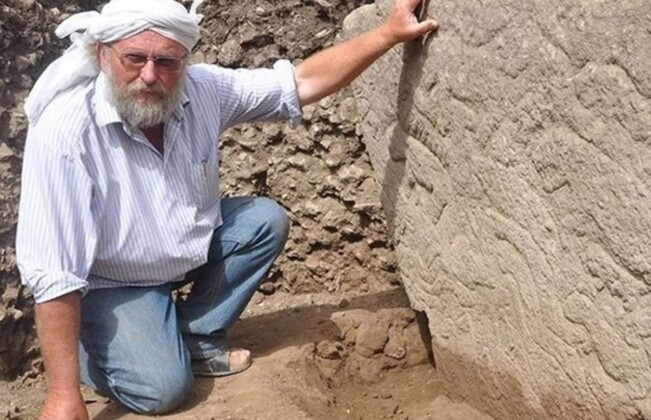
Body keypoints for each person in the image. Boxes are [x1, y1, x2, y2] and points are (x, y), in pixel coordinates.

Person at [15, 0, 437, 417]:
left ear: (184, 60)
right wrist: (62, 394)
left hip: (185, 250)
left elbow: (301, 82)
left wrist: (388, 33)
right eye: (134, 58)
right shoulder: (66, 131)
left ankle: (193, 336)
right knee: (162, 390)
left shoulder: (202, 90)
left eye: (166, 62)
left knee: (262, 222)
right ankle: (95, 354)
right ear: (101, 54)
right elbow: (55, 271)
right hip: (113, 282)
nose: (149, 75)